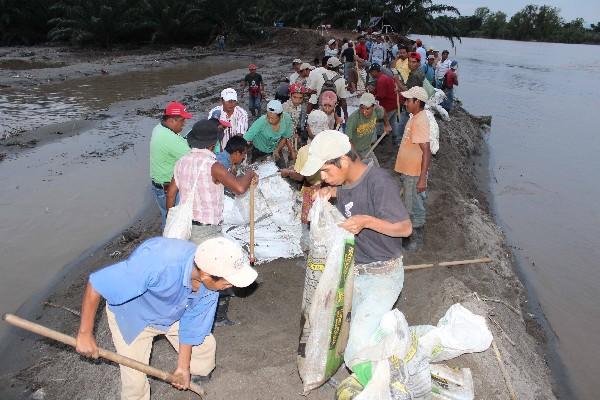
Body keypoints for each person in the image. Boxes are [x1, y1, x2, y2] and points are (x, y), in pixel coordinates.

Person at [75, 236, 258, 400]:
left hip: (175, 311)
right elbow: (97, 283)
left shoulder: (209, 287)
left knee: (204, 347)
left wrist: (183, 368)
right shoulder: (158, 261)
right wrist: (85, 333)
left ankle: (198, 376)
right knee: (135, 380)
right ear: (206, 275)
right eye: (227, 282)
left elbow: (192, 325)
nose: (229, 287)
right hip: (134, 315)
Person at [299, 130, 412, 373]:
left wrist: (367, 222)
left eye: (326, 171)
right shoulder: (346, 183)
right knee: (343, 327)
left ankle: (388, 374)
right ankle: (381, 335)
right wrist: (331, 194)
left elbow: (405, 228)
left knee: (355, 351)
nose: (323, 177)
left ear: (344, 161)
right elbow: (350, 196)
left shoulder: (379, 182)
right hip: (353, 271)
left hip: (382, 274)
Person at [167, 119, 256, 326]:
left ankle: (187, 311)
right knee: (216, 272)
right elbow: (239, 188)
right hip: (207, 231)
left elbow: (171, 193)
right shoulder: (212, 165)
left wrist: (172, 218)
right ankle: (216, 317)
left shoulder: (181, 163)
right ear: (212, 144)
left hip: (186, 227)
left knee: (193, 271)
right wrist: (250, 173)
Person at [394, 86, 431, 251]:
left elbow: (427, 150)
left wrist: (422, 178)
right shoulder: (414, 116)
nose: (405, 102)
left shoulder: (420, 121)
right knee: (413, 202)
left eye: (409, 100)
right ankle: (413, 235)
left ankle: (411, 240)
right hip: (408, 170)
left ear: (417, 102)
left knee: (411, 206)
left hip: (413, 172)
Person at [149, 102, 192, 226]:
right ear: (172, 120)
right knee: (175, 222)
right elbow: (193, 158)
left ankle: (166, 239)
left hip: (159, 186)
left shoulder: (159, 128)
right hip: (168, 189)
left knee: (166, 217)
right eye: (182, 121)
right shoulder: (168, 138)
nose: (184, 124)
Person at [244, 99, 295, 164]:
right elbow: (246, 138)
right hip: (258, 150)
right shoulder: (261, 121)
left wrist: (277, 150)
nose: (270, 120)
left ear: (281, 116)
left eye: (273, 118)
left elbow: (285, 137)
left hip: (275, 148)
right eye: (268, 117)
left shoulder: (286, 119)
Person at [344, 93, 390, 165]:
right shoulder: (353, 118)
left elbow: (383, 111)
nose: (364, 111)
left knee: (376, 170)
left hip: (367, 148)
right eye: (362, 108)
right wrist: (356, 156)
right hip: (353, 151)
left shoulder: (376, 111)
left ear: (373, 107)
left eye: (367, 108)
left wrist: (387, 125)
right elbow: (348, 140)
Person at [306, 57, 349, 121]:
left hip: (319, 108)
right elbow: (343, 101)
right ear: (337, 67)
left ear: (327, 65)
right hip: (333, 110)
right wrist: (346, 115)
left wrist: (316, 92)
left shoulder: (319, 76)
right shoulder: (341, 80)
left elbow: (309, 91)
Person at [368, 63, 401, 146]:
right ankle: (395, 139)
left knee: (379, 121)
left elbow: (381, 95)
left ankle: (380, 139)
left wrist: (373, 96)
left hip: (387, 106)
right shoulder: (385, 77)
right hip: (393, 104)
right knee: (393, 122)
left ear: (375, 71)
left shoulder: (381, 80)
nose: (371, 74)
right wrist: (373, 91)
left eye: (371, 72)